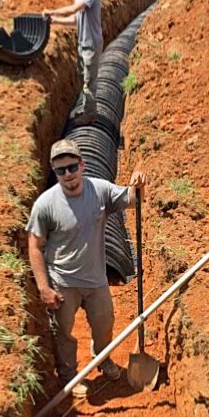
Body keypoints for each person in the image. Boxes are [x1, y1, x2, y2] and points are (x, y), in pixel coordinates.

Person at [27, 138, 147, 400]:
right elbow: (34, 246)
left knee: (105, 324)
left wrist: (138, 179)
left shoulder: (99, 190)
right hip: (63, 282)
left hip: (96, 279)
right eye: (61, 170)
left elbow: (132, 199)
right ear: (54, 172)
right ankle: (69, 376)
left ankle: (102, 358)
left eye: (72, 167)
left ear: (82, 165)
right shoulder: (45, 204)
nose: (68, 174)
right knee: (63, 333)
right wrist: (44, 287)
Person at [43, 0, 102, 125]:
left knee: (89, 82)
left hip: (91, 45)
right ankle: (86, 109)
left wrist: (51, 11)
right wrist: (54, 20)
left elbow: (73, 10)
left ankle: (90, 115)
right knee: (83, 78)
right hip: (82, 44)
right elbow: (75, 19)